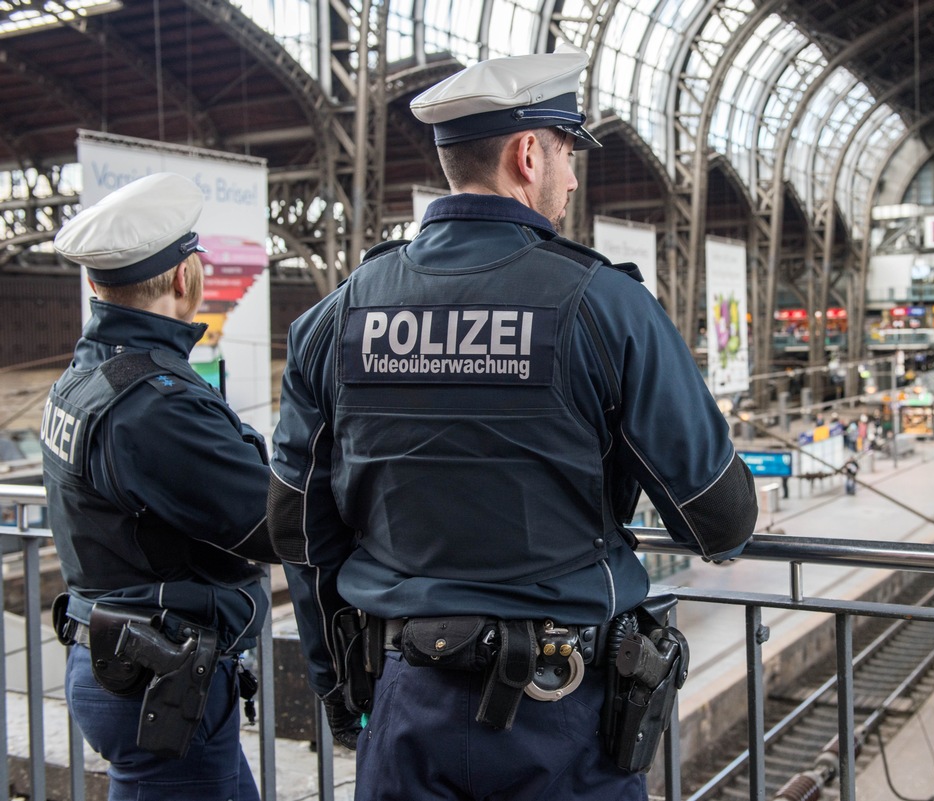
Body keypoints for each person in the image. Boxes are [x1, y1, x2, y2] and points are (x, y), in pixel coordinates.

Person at [268, 44, 759, 801]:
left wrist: (343, 692)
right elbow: (719, 519)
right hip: (563, 721)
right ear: (528, 154)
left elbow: (300, 528)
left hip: (405, 707)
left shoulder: (337, 318)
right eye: (567, 153)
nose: (569, 177)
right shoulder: (606, 306)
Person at [41, 172, 277, 801]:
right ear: (183, 278)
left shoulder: (86, 378)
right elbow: (274, 523)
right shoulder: (154, 406)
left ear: (96, 283)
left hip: (122, 656)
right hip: (161, 674)